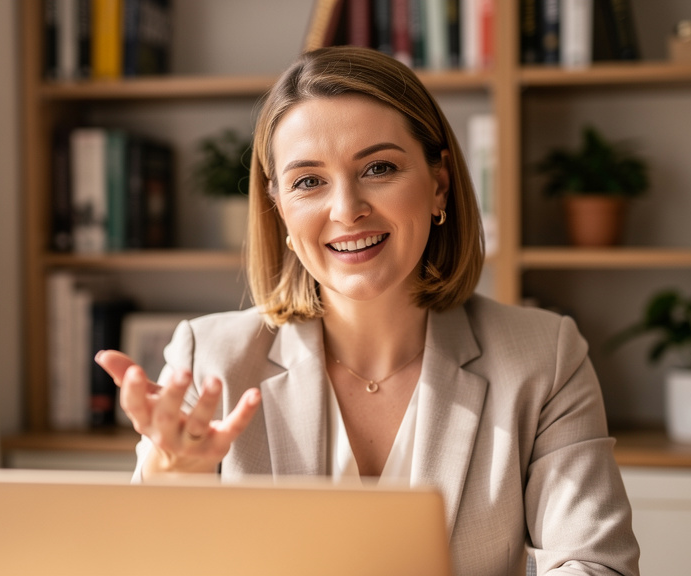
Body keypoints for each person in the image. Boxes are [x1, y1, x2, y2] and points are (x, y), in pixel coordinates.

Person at [96, 46, 640, 576]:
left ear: (439, 186)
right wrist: (175, 478)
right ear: (280, 208)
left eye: (379, 168)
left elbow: (596, 564)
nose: (347, 209)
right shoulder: (209, 358)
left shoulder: (543, 356)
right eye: (308, 181)